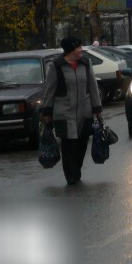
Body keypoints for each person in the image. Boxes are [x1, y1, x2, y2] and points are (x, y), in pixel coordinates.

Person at [41, 36, 103, 185]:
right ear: (70, 50)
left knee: (81, 144)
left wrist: (97, 107)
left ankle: (76, 171)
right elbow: (50, 90)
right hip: (64, 113)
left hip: (84, 111)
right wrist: (47, 112)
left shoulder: (85, 63)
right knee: (68, 146)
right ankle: (71, 177)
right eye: (78, 47)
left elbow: (93, 87)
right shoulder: (56, 66)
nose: (81, 50)